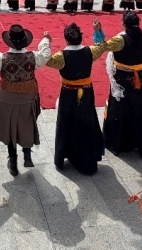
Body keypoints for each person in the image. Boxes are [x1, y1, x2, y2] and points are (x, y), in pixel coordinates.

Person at [0, 24, 51, 176]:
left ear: (10, 41)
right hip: (27, 97)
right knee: (27, 123)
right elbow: (45, 55)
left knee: (9, 128)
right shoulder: (33, 57)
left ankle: (13, 161)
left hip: (7, 97)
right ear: (25, 41)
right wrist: (46, 39)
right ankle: (27, 155)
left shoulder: (2, 58)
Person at [43, 22, 105, 175]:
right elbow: (101, 46)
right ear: (80, 37)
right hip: (87, 92)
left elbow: (46, 60)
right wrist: (97, 31)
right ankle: (87, 158)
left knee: (67, 122)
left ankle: (66, 153)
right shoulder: (90, 51)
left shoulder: (61, 56)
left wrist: (46, 41)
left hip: (68, 94)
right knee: (87, 122)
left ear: (66, 40)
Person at [99, 11, 142, 159]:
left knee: (119, 109)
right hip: (138, 78)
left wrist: (98, 32)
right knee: (139, 109)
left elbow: (103, 46)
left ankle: (117, 142)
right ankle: (140, 142)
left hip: (122, 79)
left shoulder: (120, 39)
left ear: (124, 24)